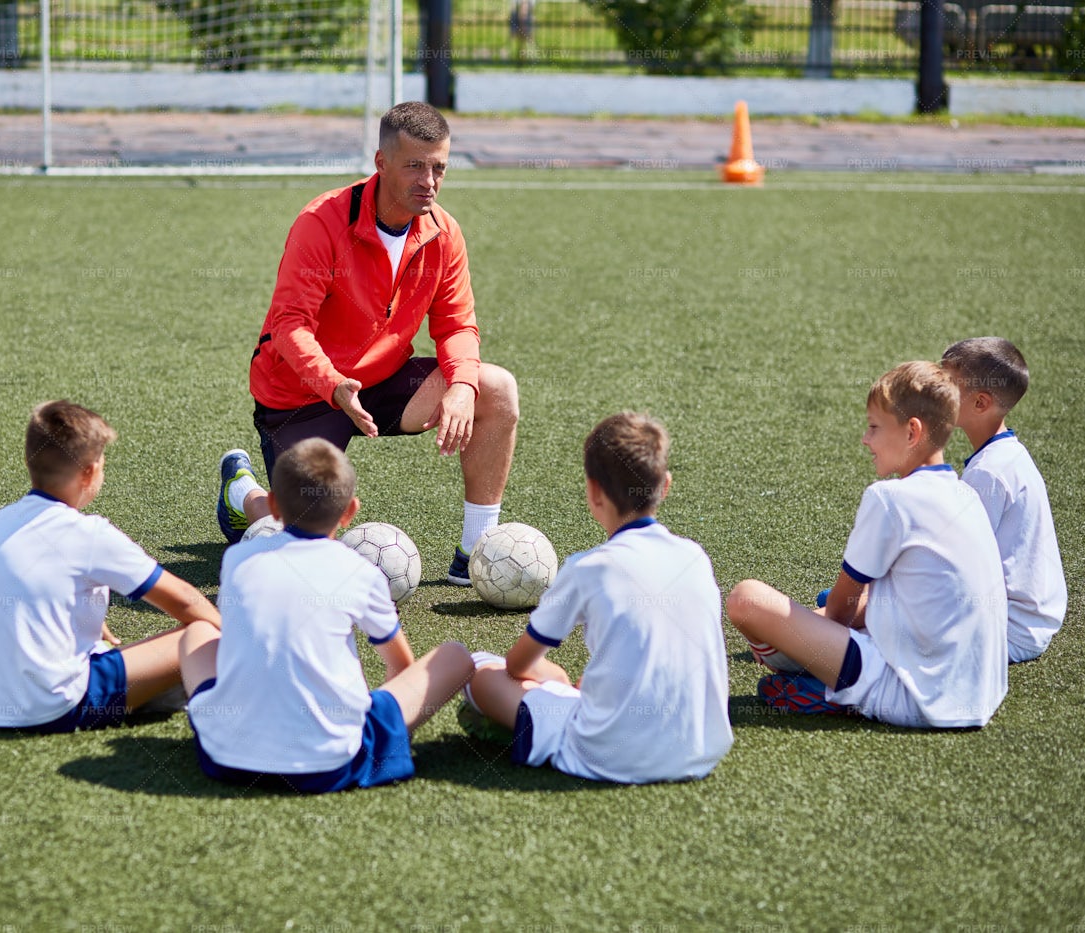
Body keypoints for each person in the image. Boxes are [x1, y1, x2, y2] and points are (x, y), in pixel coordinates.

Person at [216, 101, 519, 586]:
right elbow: (290, 324)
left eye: (439, 167)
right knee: (307, 542)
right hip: (303, 394)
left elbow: (457, 325)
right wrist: (334, 386)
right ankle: (242, 493)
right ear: (380, 164)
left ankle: (476, 551)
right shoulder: (322, 222)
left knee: (495, 387)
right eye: (415, 166)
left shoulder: (443, 233)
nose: (430, 181)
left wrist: (462, 385)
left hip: (384, 382)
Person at [727, 361, 1008, 728]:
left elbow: (842, 610)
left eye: (874, 427)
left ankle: (835, 693)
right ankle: (821, 680)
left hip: (912, 695)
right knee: (858, 606)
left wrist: (790, 636)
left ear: (912, 432)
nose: (865, 439)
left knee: (747, 601)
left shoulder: (891, 498)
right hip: (980, 694)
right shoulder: (966, 495)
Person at [183, 438, 474, 792]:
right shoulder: (360, 572)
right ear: (351, 511)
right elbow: (401, 665)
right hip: (331, 766)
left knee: (197, 633)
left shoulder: (237, 560)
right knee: (455, 656)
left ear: (272, 505)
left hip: (225, 758)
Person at [462, 413, 733, 784]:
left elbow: (516, 665)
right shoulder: (695, 558)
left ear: (593, 491)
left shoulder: (587, 568)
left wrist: (549, 680)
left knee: (479, 670)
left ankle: (544, 711)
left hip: (608, 756)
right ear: (665, 486)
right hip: (702, 750)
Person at [0, 401, 220, 733]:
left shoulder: (2, 519)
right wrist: (234, 636)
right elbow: (183, 599)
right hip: (49, 706)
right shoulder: (90, 534)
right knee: (203, 634)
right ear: (90, 472)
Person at [941, 337, 1066, 663]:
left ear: (980, 403)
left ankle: (825, 689)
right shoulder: (1005, 456)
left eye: (947, 384)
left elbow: (950, 564)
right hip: (1027, 620)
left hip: (1008, 628)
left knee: (878, 628)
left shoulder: (989, 473)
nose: (935, 391)